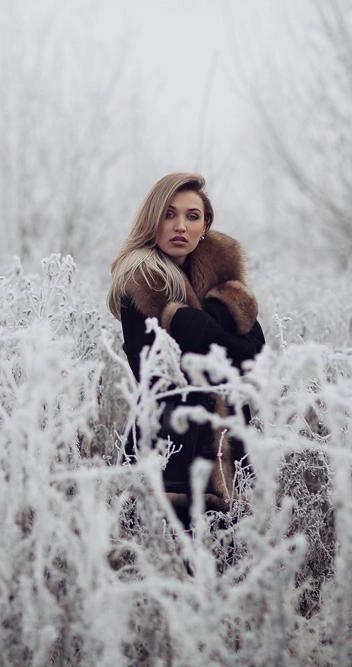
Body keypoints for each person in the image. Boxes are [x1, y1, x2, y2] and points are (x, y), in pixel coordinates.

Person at [107, 172, 265, 524]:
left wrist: (191, 324)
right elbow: (167, 373)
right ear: (153, 221)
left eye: (192, 216)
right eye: (169, 214)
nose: (180, 225)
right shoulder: (142, 285)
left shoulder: (224, 283)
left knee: (230, 570)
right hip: (169, 450)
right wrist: (218, 333)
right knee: (166, 568)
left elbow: (255, 354)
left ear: (205, 225)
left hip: (231, 450)